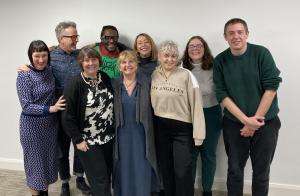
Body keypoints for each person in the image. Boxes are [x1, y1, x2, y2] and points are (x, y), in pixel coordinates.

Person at [213, 18, 282, 196]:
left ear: (247, 34)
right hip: (234, 124)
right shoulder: (220, 61)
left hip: (266, 123)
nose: (236, 36)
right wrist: (246, 121)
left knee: (261, 171)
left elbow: (271, 87)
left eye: (240, 32)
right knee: (235, 170)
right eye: (231, 33)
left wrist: (254, 121)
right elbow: (222, 94)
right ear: (225, 37)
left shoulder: (261, 53)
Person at [151, 41, 206, 196]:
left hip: (182, 130)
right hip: (160, 128)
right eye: (166, 55)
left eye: (173, 56)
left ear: (178, 57)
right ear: (160, 56)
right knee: (166, 169)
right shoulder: (154, 74)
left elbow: (196, 105)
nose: (170, 59)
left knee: (182, 171)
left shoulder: (186, 75)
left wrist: (198, 135)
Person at [62, 47, 114, 196]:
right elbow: (67, 116)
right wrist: (78, 140)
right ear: (81, 63)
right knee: (100, 179)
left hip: (108, 138)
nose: (91, 63)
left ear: (99, 61)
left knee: (107, 175)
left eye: (94, 59)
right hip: (88, 141)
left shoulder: (104, 77)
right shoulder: (75, 83)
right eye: (86, 60)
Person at [16, 40, 65, 196]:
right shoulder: (24, 75)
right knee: (35, 167)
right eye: (37, 56)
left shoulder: (49, 70)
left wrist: (53, 47)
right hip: (32, 128)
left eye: (44, 55)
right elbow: (26, 106)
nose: (41, 60)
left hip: (50, 127)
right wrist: (51, 108)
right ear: (30, 56)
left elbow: (54, 47)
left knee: (47, 165)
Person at [51, 21, 90, 196]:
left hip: (81, 110)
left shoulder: (80, 55)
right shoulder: (50, 57)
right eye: (72, 37)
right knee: (62, 149)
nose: (75, 40)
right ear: (60, 38)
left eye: (76, 36)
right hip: (60, 112)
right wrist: (25, 68)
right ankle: (65, 182)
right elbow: (36, 65)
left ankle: (80, 178)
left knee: (80, 145)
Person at [113, 50, 160, 196]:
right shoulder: (114, 84)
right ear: (119, 66)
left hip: (142, 131)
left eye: (131, 61)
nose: (128, 65)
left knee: (142, 164)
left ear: (137, 64)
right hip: (121, 132)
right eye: (123, 62)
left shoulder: (147, 81)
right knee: (123, 166)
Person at [182, 36, 222, 196]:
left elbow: (213, 91)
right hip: (188, 116)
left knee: (209, 155)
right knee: (190, 156)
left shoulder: (215, 66)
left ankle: (207, 191)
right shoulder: (181, 68)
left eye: (199, 45)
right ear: (187, 50)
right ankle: (188, 190)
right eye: (191, 46)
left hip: (211, 113)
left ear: (204, 48)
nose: (195, 48)